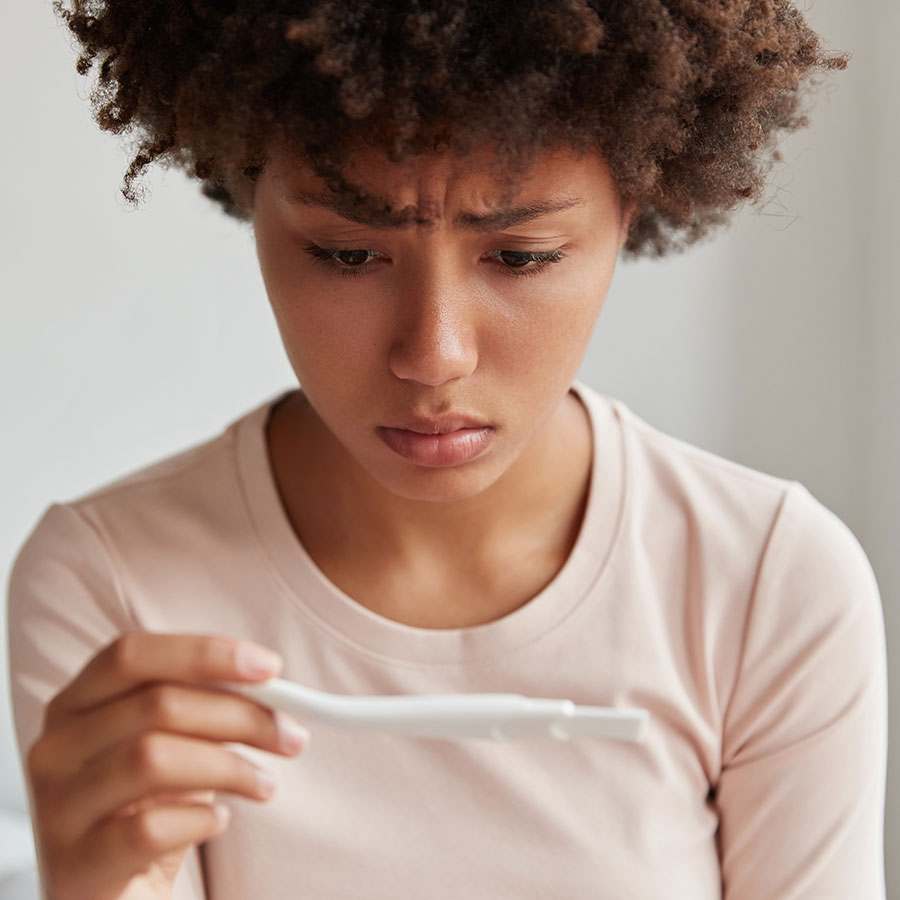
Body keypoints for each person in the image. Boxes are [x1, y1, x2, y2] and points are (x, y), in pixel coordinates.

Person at [6, 1, 888, 898]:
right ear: (249, 191)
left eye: (523, 255)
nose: (435, 354)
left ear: (631, 211)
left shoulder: (770, 586)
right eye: (348, 255)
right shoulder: (114, 587)